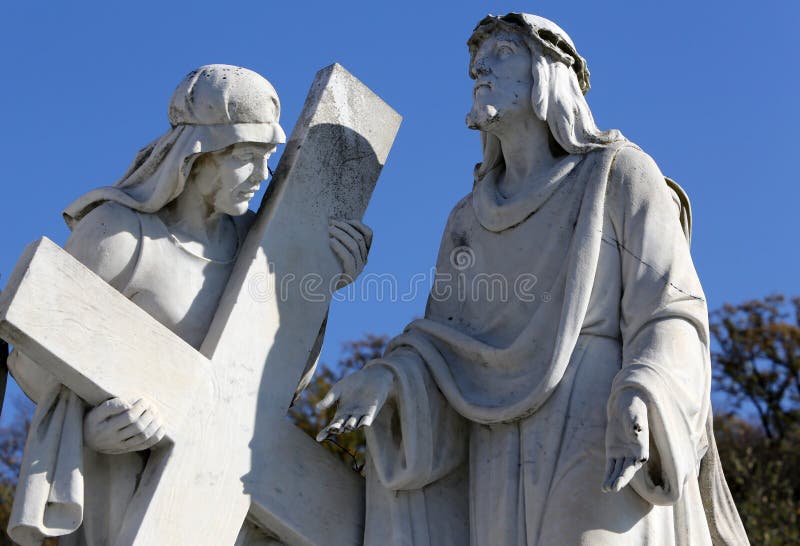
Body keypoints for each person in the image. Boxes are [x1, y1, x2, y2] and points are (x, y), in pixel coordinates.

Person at [317, 13, 748, 545]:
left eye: (502, 52)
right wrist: (389, 378)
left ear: (550, 73)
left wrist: (643, 392)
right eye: (478, 57)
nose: (479, 66)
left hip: (600, 419)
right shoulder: (466, 220)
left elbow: (671, 307)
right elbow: (445, 346)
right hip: (495, 447)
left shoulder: (618, 174)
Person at [8, 64, 371, 546]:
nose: (263, 175)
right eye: (246, 156)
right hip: (118, 488)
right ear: (197, 154)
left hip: (212, 494)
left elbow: (271, 392)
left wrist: (318, 287)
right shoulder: (120, 236)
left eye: (269, 157)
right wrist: (91, 432)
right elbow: (32, 360)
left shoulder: (262, 251)